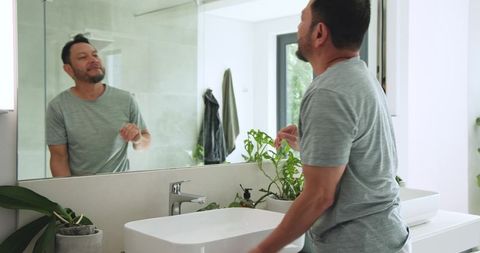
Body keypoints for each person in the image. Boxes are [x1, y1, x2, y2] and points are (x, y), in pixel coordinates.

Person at [249, 0, 410, 252]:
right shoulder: (361, 77)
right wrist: (309, 143)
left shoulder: (328, 91)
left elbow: (319, 196)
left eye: (303, 19)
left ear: (319, 32)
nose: (298, 27)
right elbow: (360, 154)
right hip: (384, 238)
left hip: (358, 244)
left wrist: (260, 250)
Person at [46, 34, 151, 177]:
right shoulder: (58, 107)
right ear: (68, 69)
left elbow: (144, 144)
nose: (93, 60)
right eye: (83, 57)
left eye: (95, 55)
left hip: (121, 187)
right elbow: (59, 159)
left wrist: (138, 138)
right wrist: (68, 195)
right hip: (82, 190)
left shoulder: (126, 99)